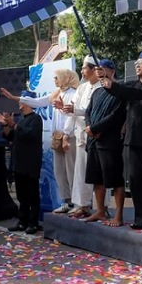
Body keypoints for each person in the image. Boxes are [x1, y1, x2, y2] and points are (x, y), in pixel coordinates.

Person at [101, 52, 142, 230]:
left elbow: (133, 93)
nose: (137, 65)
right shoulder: (132, 84)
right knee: (136, 181)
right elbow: (119, 89)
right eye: (136, 63)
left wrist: (112, 85)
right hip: (132, 141)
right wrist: (105, 78)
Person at [2, 69, 80, 214]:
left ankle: (77, 203)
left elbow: (73, 117)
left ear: (65, 78)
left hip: (69, 137)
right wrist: (14, 98)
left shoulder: (74, 93)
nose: (55, 80)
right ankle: (67, 202)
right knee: (59, 171)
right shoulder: (57, 93)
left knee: (71, 170)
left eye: (56, 77)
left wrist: (66, 135)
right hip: (57, 136)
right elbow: (37, 102)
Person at [83, 59, 127, 227]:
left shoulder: (119, 91)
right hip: (93, 140)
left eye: (102, 69)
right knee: (97, 179)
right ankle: (100, 210)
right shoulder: (97, 92)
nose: (99, 72)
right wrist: (90, 127)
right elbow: (88, 112)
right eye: (97, 69)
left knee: (115, 179)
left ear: (112, 71)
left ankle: (119, 215)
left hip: (110, 141)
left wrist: (97, 128)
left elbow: (117, 115)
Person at [0, 90, 43, 235]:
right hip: (19, 163)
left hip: (31, 163)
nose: (19, 103)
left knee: (32, 194)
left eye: (22, 100)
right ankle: (23, 221)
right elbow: (10, 137)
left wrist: (13, 124)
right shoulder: (21, 120)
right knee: (21, 194)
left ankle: (33, 222)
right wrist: (6, 125)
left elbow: (29, 134)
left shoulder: (36, 119)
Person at [62, 56, 101, 218]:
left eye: (84, 68)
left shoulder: (102, 87)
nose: (82, 71)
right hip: (81, 136)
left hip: (97, 136)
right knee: (80, 172)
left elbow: (91, 111)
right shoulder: (82, 88)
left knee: (100, 174)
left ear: (93, 69)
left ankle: (102, 207)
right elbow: (73, 111)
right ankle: (82, 205)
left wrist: (74, 110)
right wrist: (66, 133)